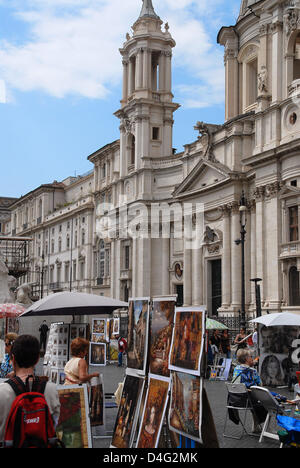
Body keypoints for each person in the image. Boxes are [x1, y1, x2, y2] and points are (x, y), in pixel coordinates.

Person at [0, 335, 60, 443]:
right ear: (37, 359)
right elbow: (57, 427)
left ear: (13, 359)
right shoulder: (52, 390)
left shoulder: (2, 391)